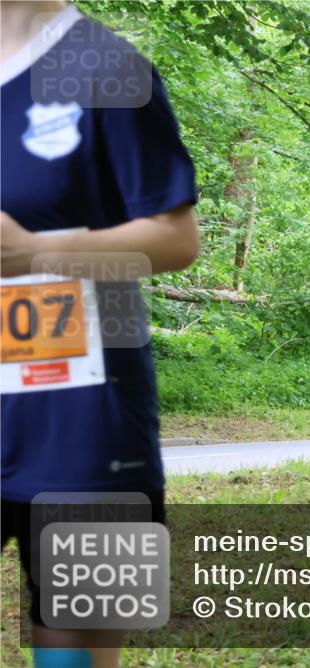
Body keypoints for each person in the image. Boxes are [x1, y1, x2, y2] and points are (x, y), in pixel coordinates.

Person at [1, 1, 199, 665]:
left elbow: (177, 240)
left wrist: (39, 255)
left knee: (76, 635)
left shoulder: (107, 64)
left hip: (85, 413)